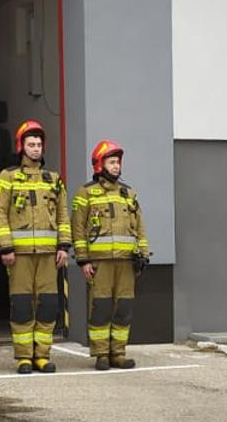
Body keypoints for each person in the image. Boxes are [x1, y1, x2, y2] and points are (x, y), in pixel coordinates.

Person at [0, 120, 71, 374]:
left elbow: (62, 215)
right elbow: (0, 214)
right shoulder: (7, 178)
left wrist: (63, 246)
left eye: (38, 145)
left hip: (49, 255)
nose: (36, 149)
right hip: (20, 256)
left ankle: (43, 356)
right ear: (21, 147)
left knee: (48, 305)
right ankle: (24, 357)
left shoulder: (54, 180)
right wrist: (6, 248)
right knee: (23, 305)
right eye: (31, 144)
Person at [71, 140, 150, 371]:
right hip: (100, 263)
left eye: (118, 162)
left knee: (123, 308)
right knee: (101, 307)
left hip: (126, 262)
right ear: (99, 164)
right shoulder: (85, 193)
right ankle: (101, 354)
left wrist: (143, 254)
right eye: (111, 162)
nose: (116, 166)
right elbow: (78, 229)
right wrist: (83, 259)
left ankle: (118, 352)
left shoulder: (128, 193)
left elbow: (140, 226)